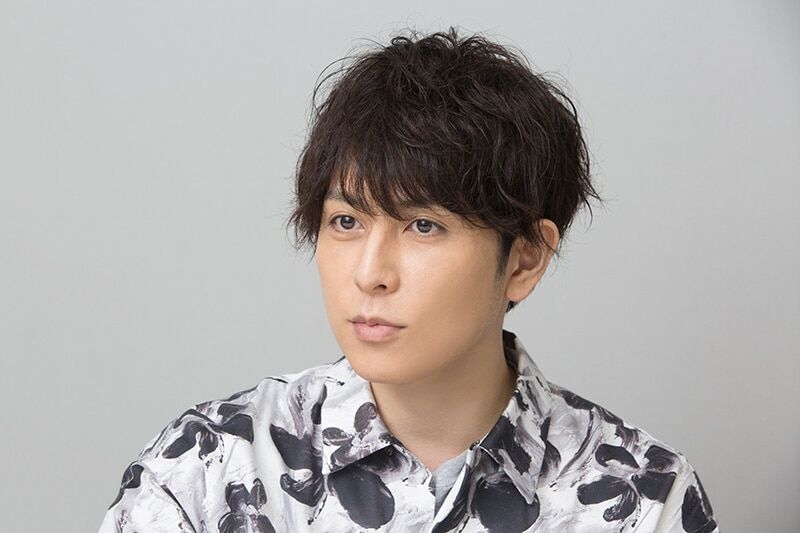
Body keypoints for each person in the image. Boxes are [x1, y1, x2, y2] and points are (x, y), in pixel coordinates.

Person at [98, 27, 719, 532]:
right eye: (345, 221)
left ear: (525, 258)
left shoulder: (642, 497)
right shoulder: (207, 467)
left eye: (423, 226)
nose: (370, 273)